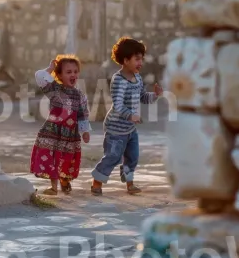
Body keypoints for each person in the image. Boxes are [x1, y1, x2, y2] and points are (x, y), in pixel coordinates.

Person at [90, 37, 163, 196]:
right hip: (115, 129)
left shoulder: (137, 78)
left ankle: (130, 184)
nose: (140, 63)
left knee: (133, 157)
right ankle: (97, 182)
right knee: (113, 156)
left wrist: (155, 96)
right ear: (125, 60)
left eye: (141, 59)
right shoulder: (118, 80)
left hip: (130, 128)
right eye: (137, 59)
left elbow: (142, 97)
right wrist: (131, 116)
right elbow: (118, 104)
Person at [30, 55, 91, 195]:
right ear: (59, 75)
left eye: (75, 72)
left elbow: (83, 114)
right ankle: (54, 187)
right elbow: (39, 76)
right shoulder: (54, 90)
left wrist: (85, 131)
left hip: (70, 134)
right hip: (53, 131)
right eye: (68, 72)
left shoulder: (80, 95)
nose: (73, 75)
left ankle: (64, 180)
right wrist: (50, 69)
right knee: (52, 158)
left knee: (67, 159)